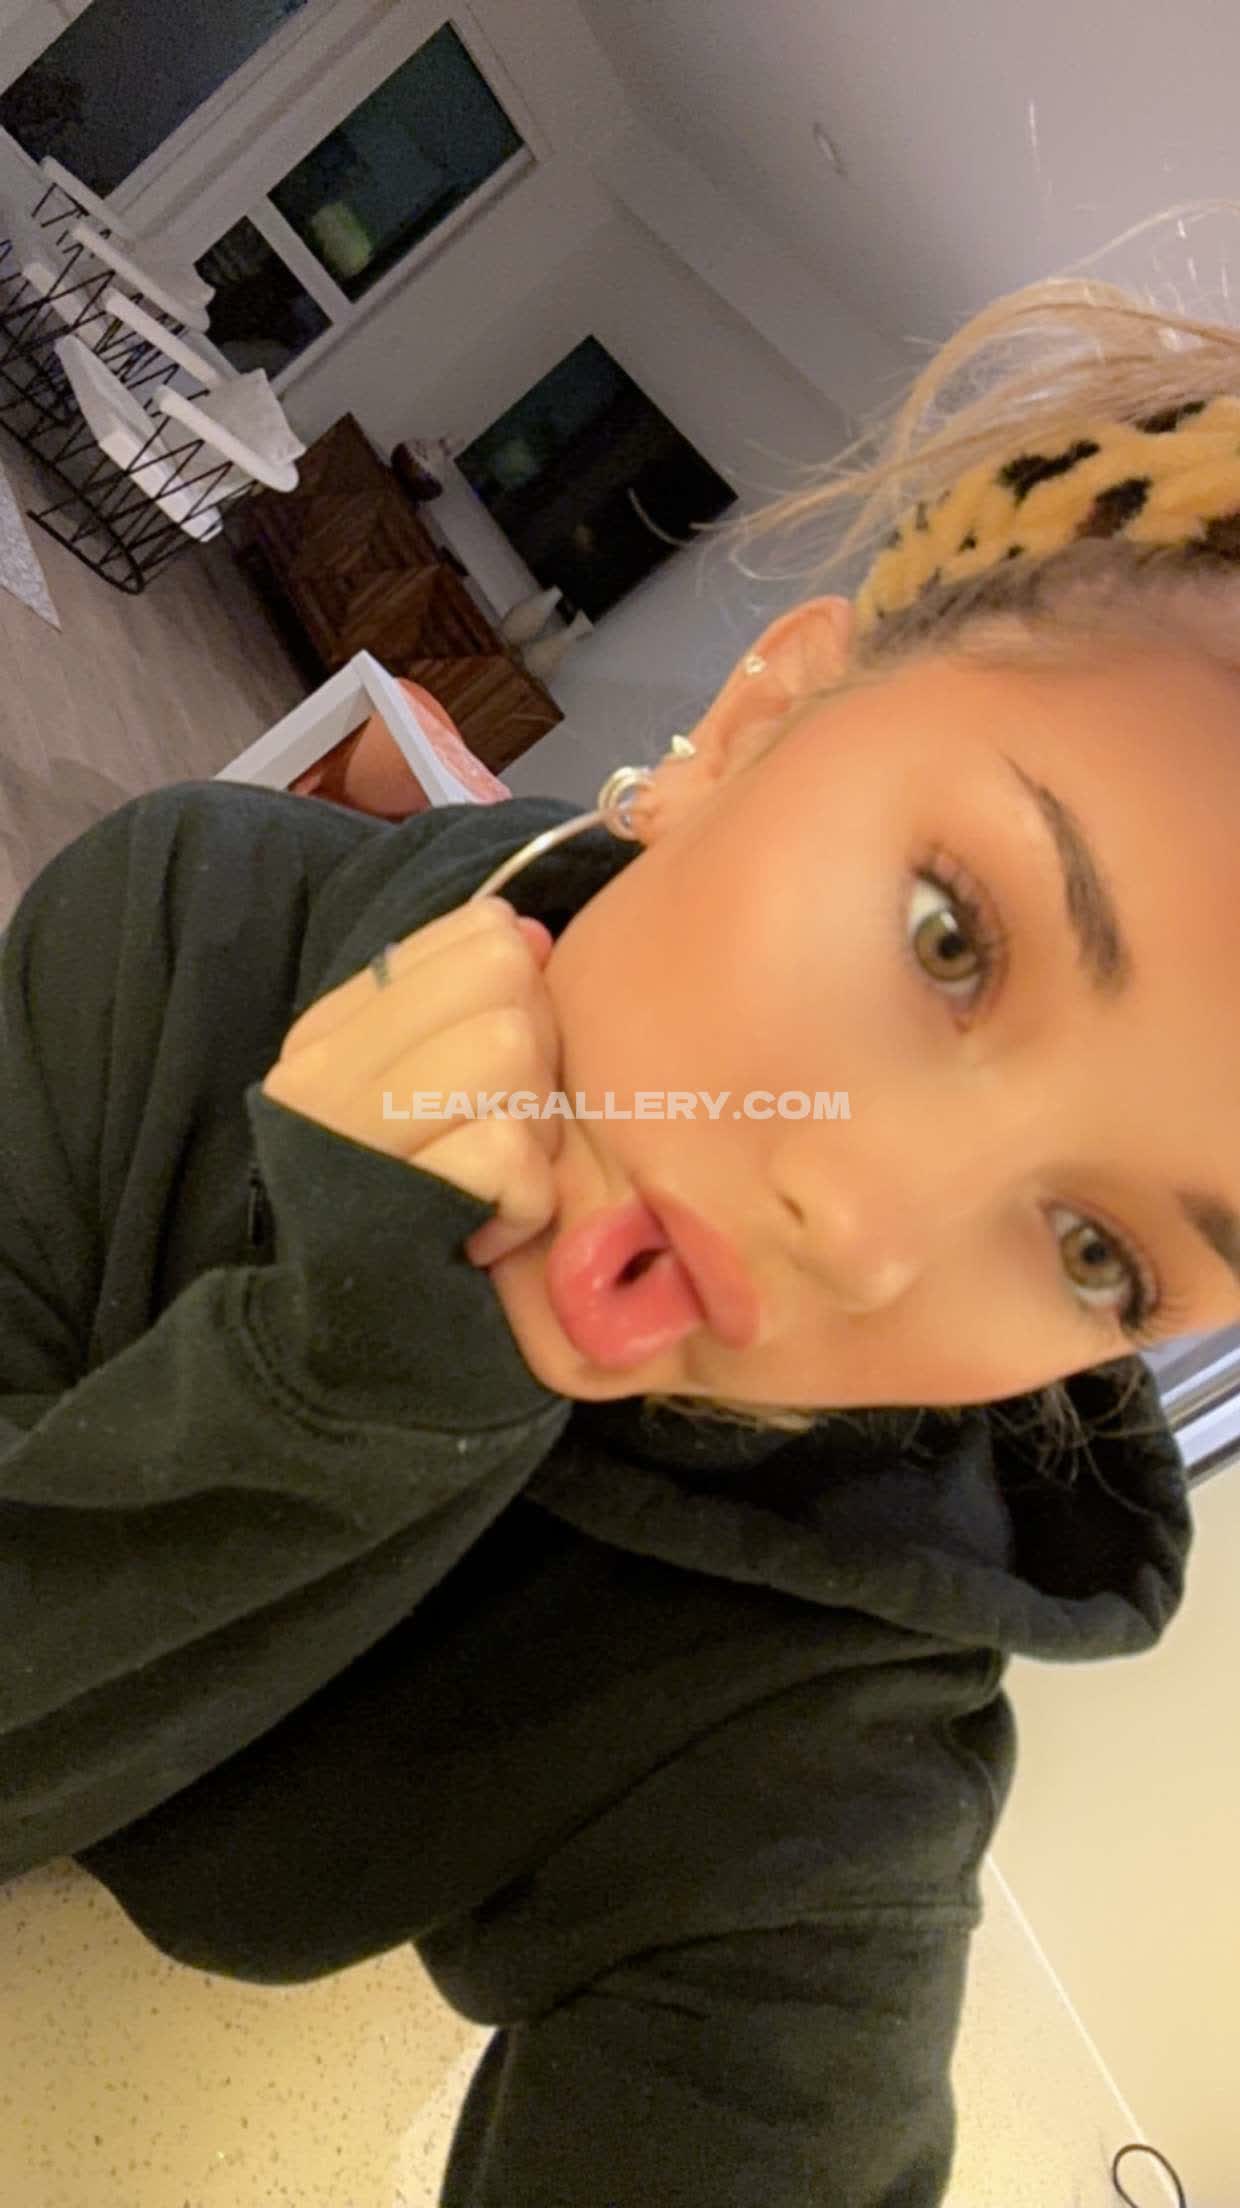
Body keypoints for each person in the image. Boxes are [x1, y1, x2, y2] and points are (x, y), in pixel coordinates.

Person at [1, 209, 1233, 2206]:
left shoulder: (828, 1718)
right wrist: (335, 1384)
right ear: (754, 728)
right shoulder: (187, 933)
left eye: (1096, 1251)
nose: (864, 1229)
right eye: (950, 938)